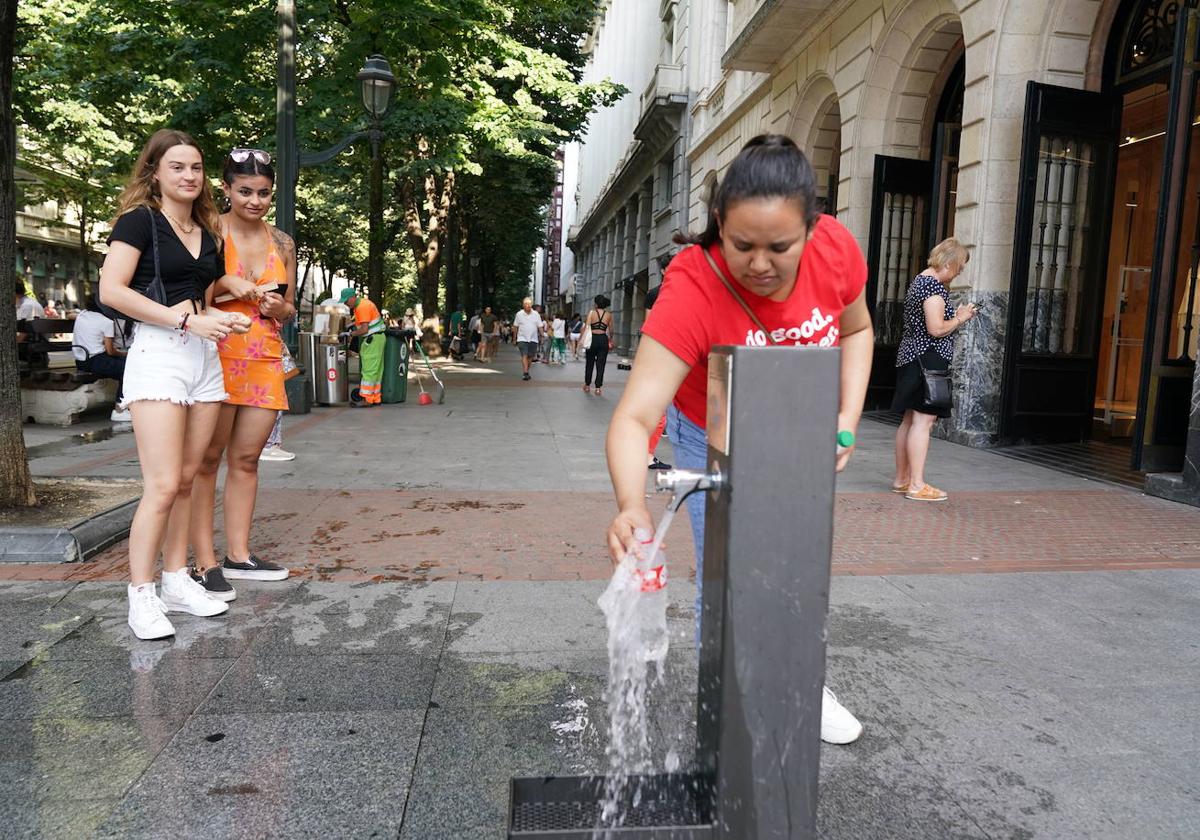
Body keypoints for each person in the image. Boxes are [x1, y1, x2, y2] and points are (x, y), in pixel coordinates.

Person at [604, 134, 873, 745]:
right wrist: (630, 504)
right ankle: (735, 694)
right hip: (708, 430)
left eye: (780, 247)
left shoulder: (836, 249)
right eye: (741, 245)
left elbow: (858, 330)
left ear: (812, 227)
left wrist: (846, 419)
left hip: (796, 426)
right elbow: (636, 414)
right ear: (718, 225)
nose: (759, 264)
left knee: (793, 562)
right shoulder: (693, 285)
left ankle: (799, 680)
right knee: (725, 571)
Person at [98, 128, 251, 640]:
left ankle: (175, 580)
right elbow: (112, 290)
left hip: (205, 357)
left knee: (188, 479)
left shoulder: (207, 229)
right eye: (177, 167)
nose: (189, 176)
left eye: (196, 168)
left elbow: (200, 295)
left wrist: (221, 315)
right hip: (160, 354)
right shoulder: (139, 221)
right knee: (162, 485)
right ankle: (140, 596)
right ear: (155, 172)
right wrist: (184, 321)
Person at [188, 148, 295, 602]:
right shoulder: (210, 232)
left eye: (264, 193)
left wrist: (279, 307)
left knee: (248, 459)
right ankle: (203, 561)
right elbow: (192, 296)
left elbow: (289, 308)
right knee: (207, 460)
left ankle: (238, 554)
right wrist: (230, 287)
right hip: (217, 354)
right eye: (245, 191)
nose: (255, 200)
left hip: (263, 356)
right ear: (227, 189)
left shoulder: (283, 242)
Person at [891, 238, 977, 502]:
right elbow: (936, 328)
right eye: (959, 268)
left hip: (911, 358)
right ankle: (917, 484)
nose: (959, 273)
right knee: (923, 421)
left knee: (909, 420)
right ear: (949, 263)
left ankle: (903, 479)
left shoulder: (920, 281)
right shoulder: (933, 288)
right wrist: (961, 318)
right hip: (926, 360)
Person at [72, 295, 131, 422]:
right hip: (97, 360)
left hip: (81, 360)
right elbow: (110, 351)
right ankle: (119, 409)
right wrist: (126, 354)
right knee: (128, 369)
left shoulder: (82, 315)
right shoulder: (107, 322)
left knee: (124, 365)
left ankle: (124, 405)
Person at [341, 286, 386, 405]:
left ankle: (365, 399)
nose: (345, 303)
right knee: (376, 370)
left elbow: (364, 329)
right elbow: (362, 322)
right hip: (378, 338)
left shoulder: (362, 307)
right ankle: (375, 398)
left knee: (369, 369)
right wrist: (350, 325)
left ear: (352, 297)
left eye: (346, 300)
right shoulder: (361, 305)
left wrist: (350, 333)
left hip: (372, 339)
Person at [582, 294, 613, 395]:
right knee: (601, 364)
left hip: (593, 339)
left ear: (596, 304)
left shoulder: (591, 313)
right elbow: (611, 330)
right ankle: (598, 388)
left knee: (589, 363)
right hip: (603, 339)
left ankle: (587, 385)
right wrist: (610, 339)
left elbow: (586, 327)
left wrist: (581, 340)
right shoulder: (608, 315)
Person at [512, 297, 543, 380]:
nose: (528, 305)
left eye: (529, 304)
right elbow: (515, 327)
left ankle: (526, 371)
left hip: (533, 339)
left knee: (530, 357)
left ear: (531, 305)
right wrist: (514, 339)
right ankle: (525, 372)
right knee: (524, 355)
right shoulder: (519, 314)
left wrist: (542, 336)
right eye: (526, 304)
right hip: (522, 338)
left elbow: (540, 326)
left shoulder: (536, 314)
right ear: (523, 305)